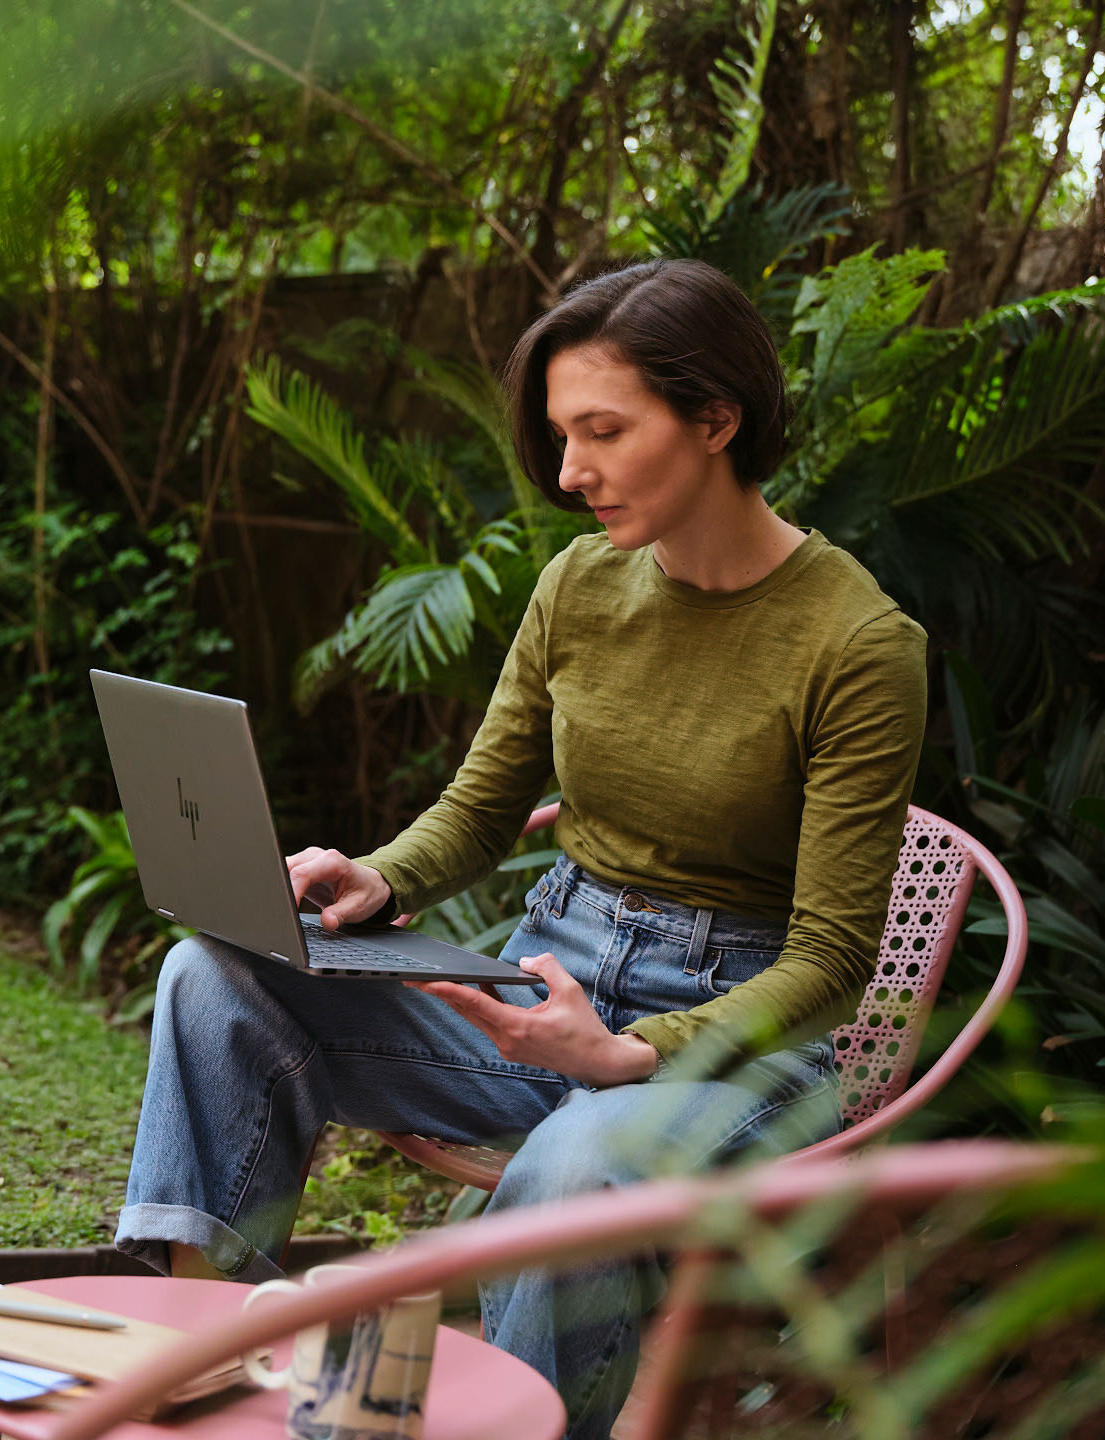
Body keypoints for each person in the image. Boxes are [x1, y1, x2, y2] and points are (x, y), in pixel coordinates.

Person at [113, 257, 927, 1439]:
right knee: (218, 978)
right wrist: (381, 875)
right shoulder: (580, 584)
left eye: (603, 430)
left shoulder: (858, 642)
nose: (567, 472)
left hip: (741, 1041)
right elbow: (482, 807)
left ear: (716, 420)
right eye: (558, 434)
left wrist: (634, 1055)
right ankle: (202, 1370)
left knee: (571, 1168)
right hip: (543, 987)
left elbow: (837, 959)